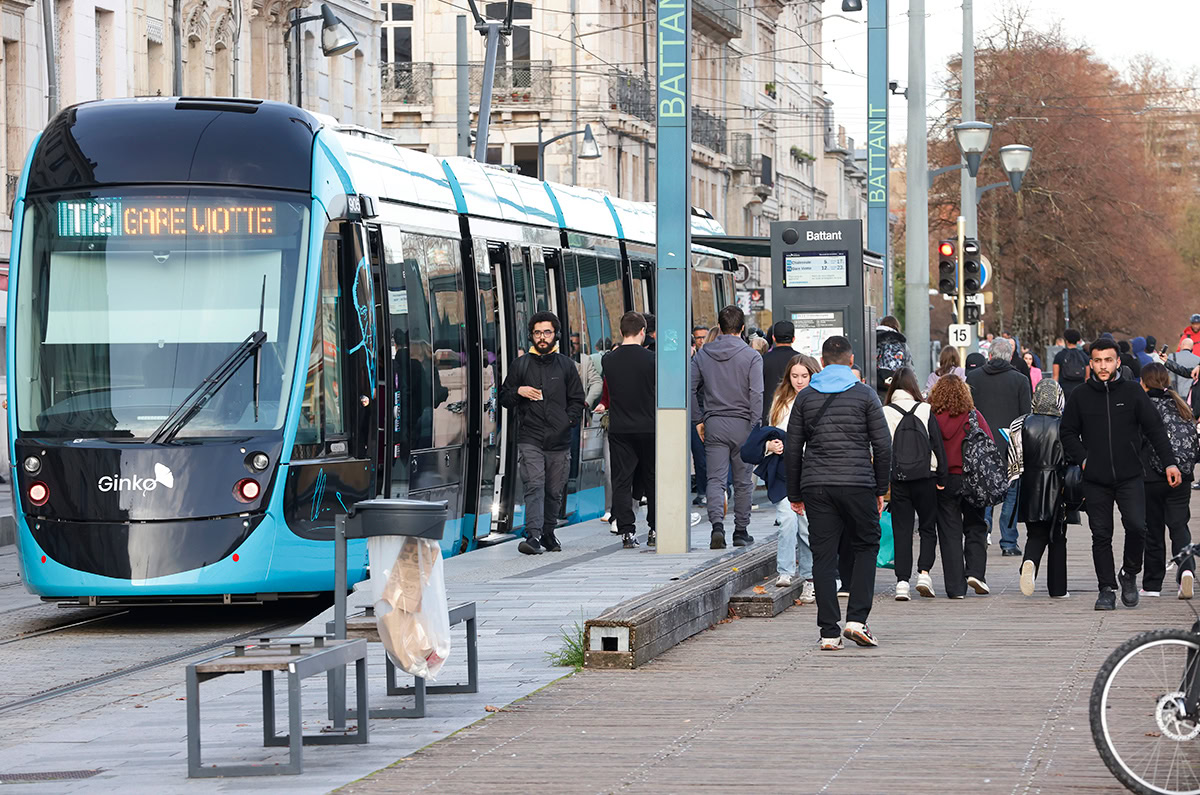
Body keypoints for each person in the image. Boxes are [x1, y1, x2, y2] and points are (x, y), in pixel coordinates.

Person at [785, 335, 891, 650]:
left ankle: (829, 632)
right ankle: (857, 619)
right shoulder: (866, 395)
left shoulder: (806, 398)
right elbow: (883, 445)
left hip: (817, 486)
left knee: (823, 554)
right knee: (866, 545)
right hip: (858, 484)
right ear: (850, 359)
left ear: (822, 359)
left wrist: (795, 493)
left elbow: (793, 449)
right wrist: (881, 488)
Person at [1060, 338, 1181, 610]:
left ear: (1117, 362)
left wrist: (1170, 463)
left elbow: (1155, 430)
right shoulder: (1080, 395)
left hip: (1130, 475)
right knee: (1101, 534)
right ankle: (1106, 588)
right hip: (1095, 478)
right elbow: (1066, 432)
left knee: (1138, 526)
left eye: (1108, 360)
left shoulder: (1132, 392)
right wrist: (1083, 459)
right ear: (1090, 363)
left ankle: (1129, 574)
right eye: (1098, 360)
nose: (1103, 366)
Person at [499, 311, 586, 555]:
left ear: (556, 335)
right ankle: (533, 536)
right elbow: (504, 397)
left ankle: (548, 533)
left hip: (559, 440)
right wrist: (520, 391)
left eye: (547, 332)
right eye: (537, 333)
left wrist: (567, 421)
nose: (542, 337)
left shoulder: (566, 365)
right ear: (531, 336)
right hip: (530, 438)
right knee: (534, 484)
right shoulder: (520, 365)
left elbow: (578, 400)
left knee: (553, 491)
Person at [748, 353, 819, 602]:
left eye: (804, 376)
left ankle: (810, 578)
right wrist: (770, 445)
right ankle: (786, 571)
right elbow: (768, 431)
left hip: (810, 469)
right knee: (788, 519)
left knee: (806, 525)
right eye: (795, 376)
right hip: (782, 469)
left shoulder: (820, 399)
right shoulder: (781, 399)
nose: (799, 381)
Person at [692, 306, 763, 549]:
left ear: (719, 327)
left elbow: (691, 389)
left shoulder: (702, 355)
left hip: (714, 424)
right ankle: (741, 531)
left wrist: (698, 419)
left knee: (715, 479)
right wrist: (756, 426)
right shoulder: (751, 356)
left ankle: (717, 527)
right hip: (743, 424)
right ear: (742, 328)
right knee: (743, 481)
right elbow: (757, 393)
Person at [882, 367, 947, 601]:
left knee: (902, 530)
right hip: (926, 477)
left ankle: (901, 582)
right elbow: (937, 446)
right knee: (928, 527)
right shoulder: (926, 409)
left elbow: (881, 450)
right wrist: (942, 477)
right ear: (913, 387)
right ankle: (924, 573)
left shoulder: (885, 411)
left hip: (898, 479)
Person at [595, 312, 656, 549]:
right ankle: (654, 528)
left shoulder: (609, 360)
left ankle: (627, 532)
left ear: (621, 332)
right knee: (652, 479)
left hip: (620, 429)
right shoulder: (652, 359)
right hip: (649, 428)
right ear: (643, 331)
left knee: (622, 480)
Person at [966, 337, 1031, 556]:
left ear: (990, 356)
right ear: (1010, 356)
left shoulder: (973, 378)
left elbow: (969, 413)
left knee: (984, 491)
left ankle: (983, 531)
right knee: (1011, 494)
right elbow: (1025, 417)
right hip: (1011, 446)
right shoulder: (1020, 380)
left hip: (981, 446)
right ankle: (1009, 542)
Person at [929, 375, 993, 598]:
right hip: (972, 478)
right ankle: (976, 572)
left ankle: (955, 588)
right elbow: (989, 442)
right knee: (975, 525)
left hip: (944, 480)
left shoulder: (931, 417)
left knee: (949, 532)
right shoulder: (973, 416)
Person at [1007, 379, 1071, 598]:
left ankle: (1029, 562)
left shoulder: (1020, 423)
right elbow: (1072, 455)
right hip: (1058, 484)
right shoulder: (1066, 424)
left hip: (1030, 483)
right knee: (1058, 536)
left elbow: (1014, 460)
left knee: (1035, 533)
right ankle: (1058, 589)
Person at [1138, 363, 1197, 599]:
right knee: (1179, 527)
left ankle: (1152, 585)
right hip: (1182, 476)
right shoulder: (1181, 405)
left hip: (1151, 477)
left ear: (1143, 383)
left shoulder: (1143, 406)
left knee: (1153, 531)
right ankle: (1187, 572)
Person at [761, 321, 798, 422]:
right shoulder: (800, 360)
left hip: (770, 416)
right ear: (793, 339)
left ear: (773, 338)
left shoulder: (763, 360)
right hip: (794, 415)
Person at [875, 315, 914, 397]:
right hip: (897, 386)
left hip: (877, 387)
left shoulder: (873, 340)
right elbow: (909, 368)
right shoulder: (902, 344)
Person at [1052, 329, 1088, 401]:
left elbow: (1055, 376)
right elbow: (1087, 377)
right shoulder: (1084, 356)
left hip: (1064, 390)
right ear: (1077, 341)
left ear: (1066, 341)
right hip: (1080, 390)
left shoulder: (1059, 356)